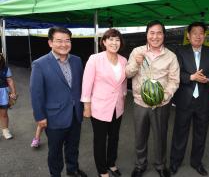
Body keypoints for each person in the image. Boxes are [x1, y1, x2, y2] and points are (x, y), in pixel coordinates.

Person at [30, 26, 87, 177]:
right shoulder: (40, 64)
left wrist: (84, 106)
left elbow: (79, 86)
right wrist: (40, 117)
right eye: (59, 41)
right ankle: (56, 174)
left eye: (67, 40)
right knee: (55, 150)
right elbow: (36, 93)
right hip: (53, 116)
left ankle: (72, 169)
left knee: (73, 146)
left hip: (75, 114)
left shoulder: (77, 60)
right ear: (50, 43)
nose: (64, 44)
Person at [126, 20, 180, 177]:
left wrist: (164, 96)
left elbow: (174, 80)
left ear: (163, 35)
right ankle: (140, 165)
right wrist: (136, 63)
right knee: (140, 135)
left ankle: (160, 165)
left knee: (160, 135)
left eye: (159, 33)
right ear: (147, 34)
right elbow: (127, 73)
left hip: (161, 104)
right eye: (152, 33)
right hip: (140, 102)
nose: (155, 36)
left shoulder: (171, 56)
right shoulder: (137, 51)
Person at [170, 22, 209, 176]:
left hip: (204, 100)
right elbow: (175, 73)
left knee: (201, 133)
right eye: (194, 33)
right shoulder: (180, 52)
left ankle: (196, 162)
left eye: (201, 33)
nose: (198, 36)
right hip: (185, 99)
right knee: (180, 132)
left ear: (205, 35)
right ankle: (175, 162)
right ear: (188, 35)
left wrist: (207, 79)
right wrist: (191, 77)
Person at [81, 29, 127, 177]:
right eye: (111, 39)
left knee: (114, 137)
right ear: (104, 42)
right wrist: (86, 106)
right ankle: (102, 170)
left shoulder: (123, 60)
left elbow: (123, 84)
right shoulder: (95, 59)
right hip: (99, 107)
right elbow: (87, 84)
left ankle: (111, 163)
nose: (114, 43)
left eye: (117, 40)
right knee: (100, 140)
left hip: (117, 106)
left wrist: (124, 98)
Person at [0, 53, 17, 140]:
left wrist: (13, 92)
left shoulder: (5, 69)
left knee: (4, 114)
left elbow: (10, 81)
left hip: (3, 94)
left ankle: (5, 131)